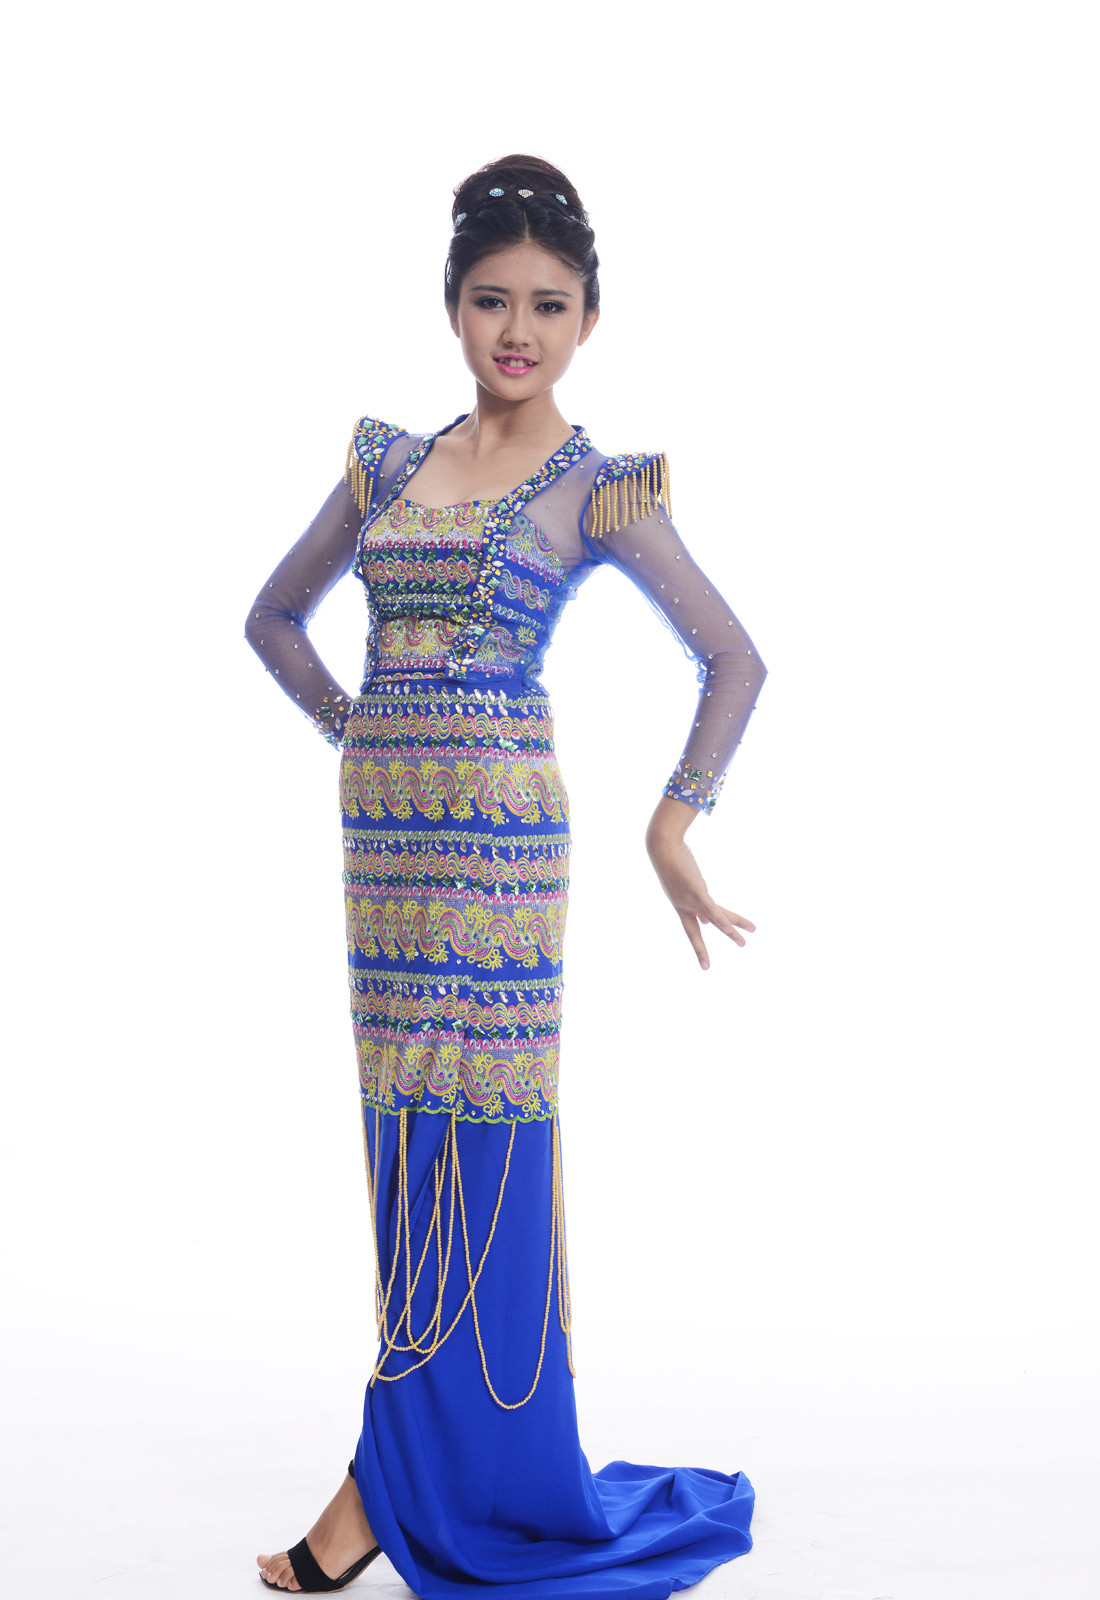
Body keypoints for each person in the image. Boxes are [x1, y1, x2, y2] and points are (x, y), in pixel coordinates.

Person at [245, 153, 768, 1597]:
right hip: (385, 855)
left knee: (482, 1150)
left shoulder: (596, 489)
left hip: (503, 849)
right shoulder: (385, 466)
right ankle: (416, 1467)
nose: (518, 330)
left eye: (548, 304)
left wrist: (674, 826)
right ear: (452, 308)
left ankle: (385, 1486)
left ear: (590, 317)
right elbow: (273, 617)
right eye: (492, 300)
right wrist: (361, 726)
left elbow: (734, 657)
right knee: (403, 1144)